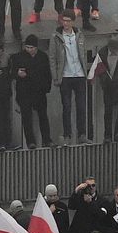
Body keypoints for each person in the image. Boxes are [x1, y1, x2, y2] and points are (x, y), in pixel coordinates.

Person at [49, 13, 89, 144]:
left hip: (79, 75)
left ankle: (82, 134)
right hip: (65, 75)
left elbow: (83, 53)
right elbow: (52, 57)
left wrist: (85, 72)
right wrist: (55, 76)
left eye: (68, 21)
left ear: (73, 22)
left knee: (81, 106)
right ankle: (67, 135)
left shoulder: (80, 35)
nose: (65, 24)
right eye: (63, 21)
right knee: (66, 107)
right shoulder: (56, 37)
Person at [9, 35, 53, 149]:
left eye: (31, 47)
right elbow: (12, 71)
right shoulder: (18, 57)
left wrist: (46, 88)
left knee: (43, 116)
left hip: (39, 92)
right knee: (26, 118)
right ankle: (30, 142)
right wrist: (17, 74)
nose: (29, 49)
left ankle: (47, 140)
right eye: (27, 47)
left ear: (36, 47)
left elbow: (47, 74)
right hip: (24, 92)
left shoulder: (43, 57)